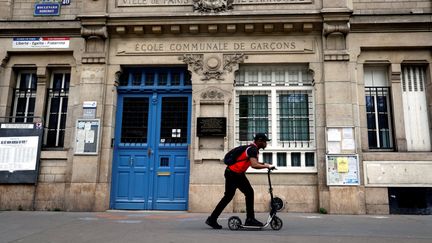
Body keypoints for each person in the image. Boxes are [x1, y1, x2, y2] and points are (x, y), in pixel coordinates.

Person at [205, 133, 274, 229]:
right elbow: (254, 165)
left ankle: (212, 219)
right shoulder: (253, 149)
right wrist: (267, 166)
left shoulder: (251, 149)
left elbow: (252, 163)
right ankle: (250, 219)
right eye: (264, 141)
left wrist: (265, 164)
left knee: (229, 196)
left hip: (233, 173)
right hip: (234, 174)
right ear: (259, 141)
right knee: (248, 193)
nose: (266, 144)